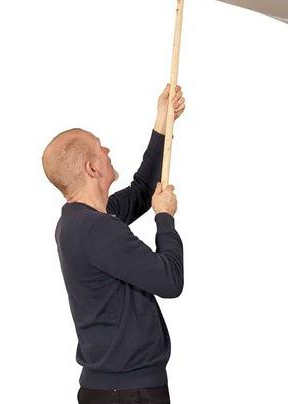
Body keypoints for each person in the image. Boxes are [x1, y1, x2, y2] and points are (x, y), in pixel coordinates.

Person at [41, 84, 186, 404]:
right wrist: (165, 218)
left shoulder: (82, 221)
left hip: (114, 389)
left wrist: (163, 121)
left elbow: (142, 190)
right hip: (129, 393)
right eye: (100, 148)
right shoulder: (97, 229)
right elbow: (170, 280)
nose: (107, 150)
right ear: (92, 168)